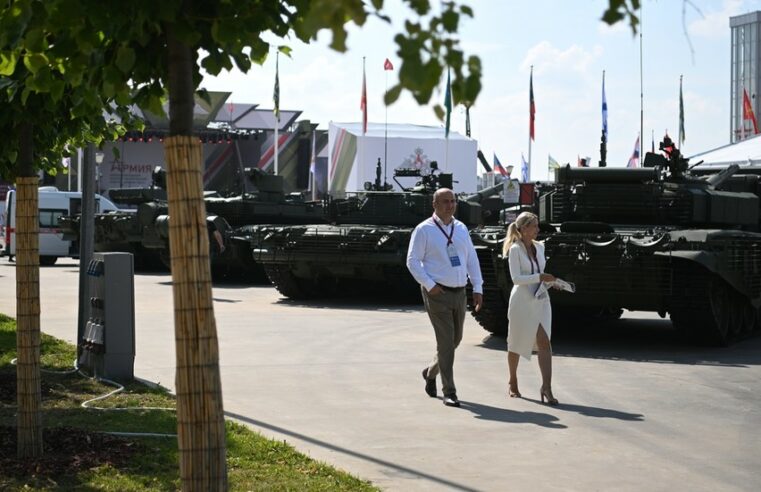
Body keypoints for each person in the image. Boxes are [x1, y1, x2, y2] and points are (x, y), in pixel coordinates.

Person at [406, 188, 483, 407]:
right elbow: (412, 261)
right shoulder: (424, 230)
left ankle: (430, 373)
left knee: (455, 340)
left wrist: (478, 287)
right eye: (445, 201)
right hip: (437, 293)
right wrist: (429, 285)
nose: (450, 205)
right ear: (435, 205)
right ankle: (449, 391)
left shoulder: (460, 228)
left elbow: (471, 258)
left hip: (459, 292)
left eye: (453, 201)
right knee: (446, 343)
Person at [503, 211, 559, 405]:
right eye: (534, 226)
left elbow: (541, 272)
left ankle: (547, 387)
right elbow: (516, 279)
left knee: (544, 341)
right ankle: (512, 380)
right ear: (524, 229)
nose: (537, 229)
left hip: (541, 299)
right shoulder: (515, 249)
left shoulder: (539, 247)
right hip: (522, 301)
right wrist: (540, 278)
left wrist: (552, 282)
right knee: (516, 342)